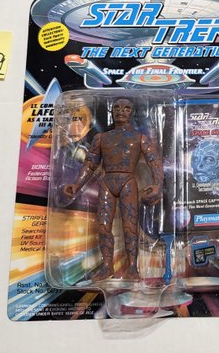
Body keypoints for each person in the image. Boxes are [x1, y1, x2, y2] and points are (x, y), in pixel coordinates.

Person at [64, 98, 162, 281]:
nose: (121, 111)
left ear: (132, 112)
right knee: (103, 226)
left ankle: (132, 268)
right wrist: (77, 185)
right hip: (107, 182)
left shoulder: (140, 138)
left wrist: (157, 185)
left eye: (126, 108)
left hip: (128, 182)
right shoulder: (101, 138)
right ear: (112, 111)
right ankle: (107, 266)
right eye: (116, 107)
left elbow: (155, 162)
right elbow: (90, 164)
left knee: (130, 227)